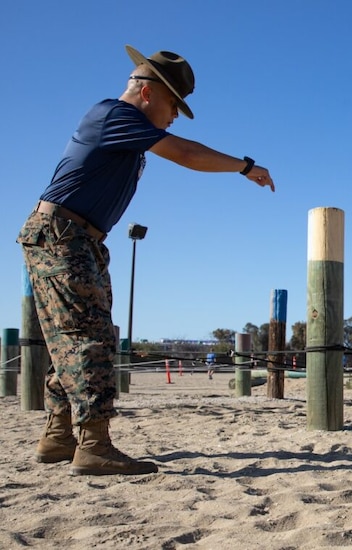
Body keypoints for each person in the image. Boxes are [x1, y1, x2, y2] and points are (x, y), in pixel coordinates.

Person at [17, 45, 275, 476]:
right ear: (150, 91)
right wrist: (244, 166)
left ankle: (59, 437)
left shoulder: (125, 130)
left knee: (73, 340)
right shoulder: (113, 115)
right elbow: (187, 154)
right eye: (175, 104)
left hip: (80, 238)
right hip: (64, 235)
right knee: (89, 340)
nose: (175, 115)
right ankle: (94, 445)